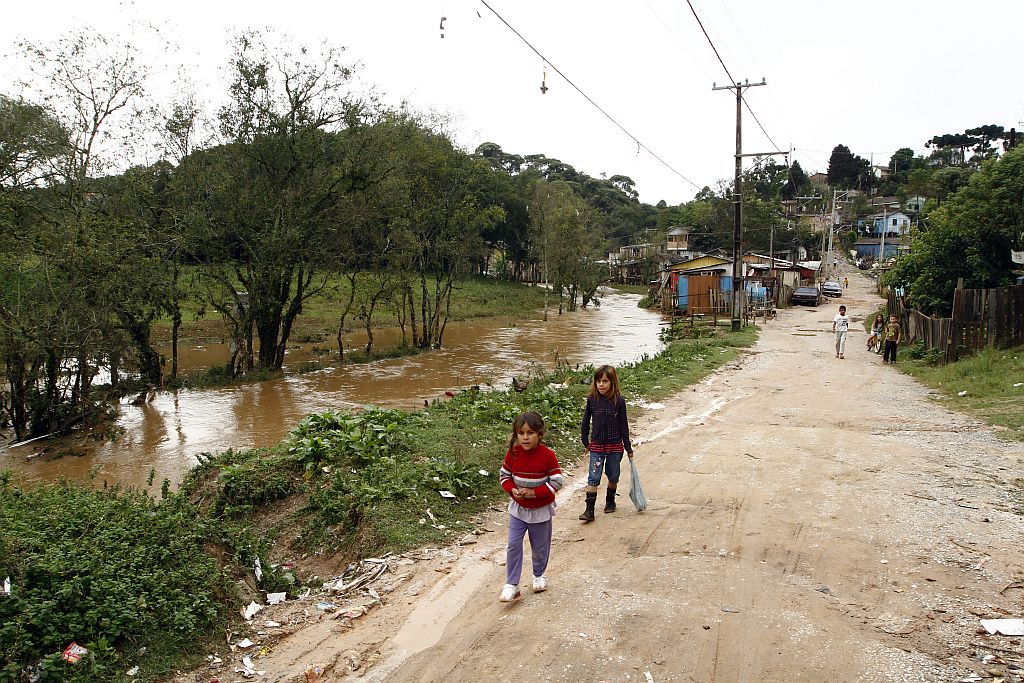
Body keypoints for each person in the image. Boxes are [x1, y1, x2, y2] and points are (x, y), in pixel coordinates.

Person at [498, 411, 563, 602]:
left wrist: (534, 493)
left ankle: (538, 575)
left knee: (540, 546)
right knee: (513, 545)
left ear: (540, 434)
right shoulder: (513, 453)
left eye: (530, 433)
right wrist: (513, 491)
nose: (525, 437)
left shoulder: (548, 456)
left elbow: (557, 482)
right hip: (518, 509)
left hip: (541, 511)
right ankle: (512, 584)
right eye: (521, 433)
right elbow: (504, 477)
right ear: (516, 434)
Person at [579, 365, 633, 522]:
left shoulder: (619, 402)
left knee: (613, 475)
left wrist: (628, 447)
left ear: (612, 382)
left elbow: (624, 425)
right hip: (596, 446)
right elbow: (585, 421)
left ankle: (610, 501)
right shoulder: (592, 400)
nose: (601, 384)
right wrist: (585, 440)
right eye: (598, 381)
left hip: (615, 447)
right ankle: (589, 511)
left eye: (605, 381)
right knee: (593, 477)